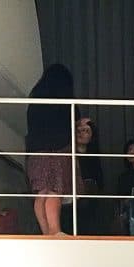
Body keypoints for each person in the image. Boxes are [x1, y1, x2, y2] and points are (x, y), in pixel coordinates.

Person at [25, 63, 77, 236]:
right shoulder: (64, 103)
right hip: (57, 150)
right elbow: (69, 124)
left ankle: (46, 232)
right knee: (54, 191)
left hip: (36, 152)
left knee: (41, 192)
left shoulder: (35, 101)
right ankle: (55, 231)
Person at [70, 116, 108, 235]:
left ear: (91, 136)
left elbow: (99, 183)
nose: (81, 133)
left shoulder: (94, 157)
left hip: (89, 201)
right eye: (79, 130)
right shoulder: (67, 155)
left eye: (86, 131)